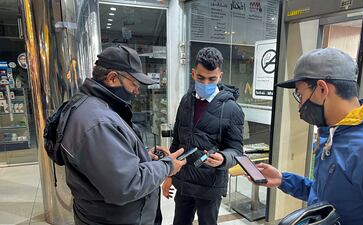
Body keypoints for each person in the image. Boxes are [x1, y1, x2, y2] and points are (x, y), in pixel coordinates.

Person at [257, 48, 363, 225]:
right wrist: (283, 180)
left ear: (322, 89)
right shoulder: (334, 134)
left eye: (300, 95)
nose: (300, 105)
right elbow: (325, 196)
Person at [60, 45, 186, 225]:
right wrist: (167, 166)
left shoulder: (95, 107)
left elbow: (106, 164)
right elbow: (125, 186)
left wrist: (140, 156)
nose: (136, 91)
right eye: (133, 83)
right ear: (112, 78)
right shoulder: (98, 122)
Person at [163, 47, 244, 225]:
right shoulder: (186, 101)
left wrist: (223, 158)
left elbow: (236, 150)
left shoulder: (231, 109)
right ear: (193, 73)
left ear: (220, 76)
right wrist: (169, 175)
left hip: (210, 185)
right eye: (201, 78)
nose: (206, 83)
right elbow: (177, 141)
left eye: (212, 79)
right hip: (184, 182)